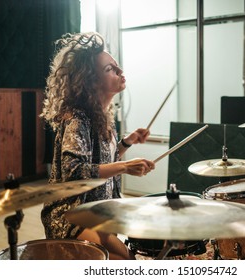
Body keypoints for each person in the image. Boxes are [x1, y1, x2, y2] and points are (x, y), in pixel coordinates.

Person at [40, 32, 155, 260]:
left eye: (117, 66)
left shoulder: (102, 116)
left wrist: (126, 142)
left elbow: (102, 160)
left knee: (131, 256)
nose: (120, 72)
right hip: (70, 216)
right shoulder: (77, 118)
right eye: (110, 69)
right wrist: (124, 167)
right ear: (91, 81)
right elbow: (75, 171)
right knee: (125, 261)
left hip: (95, 213)